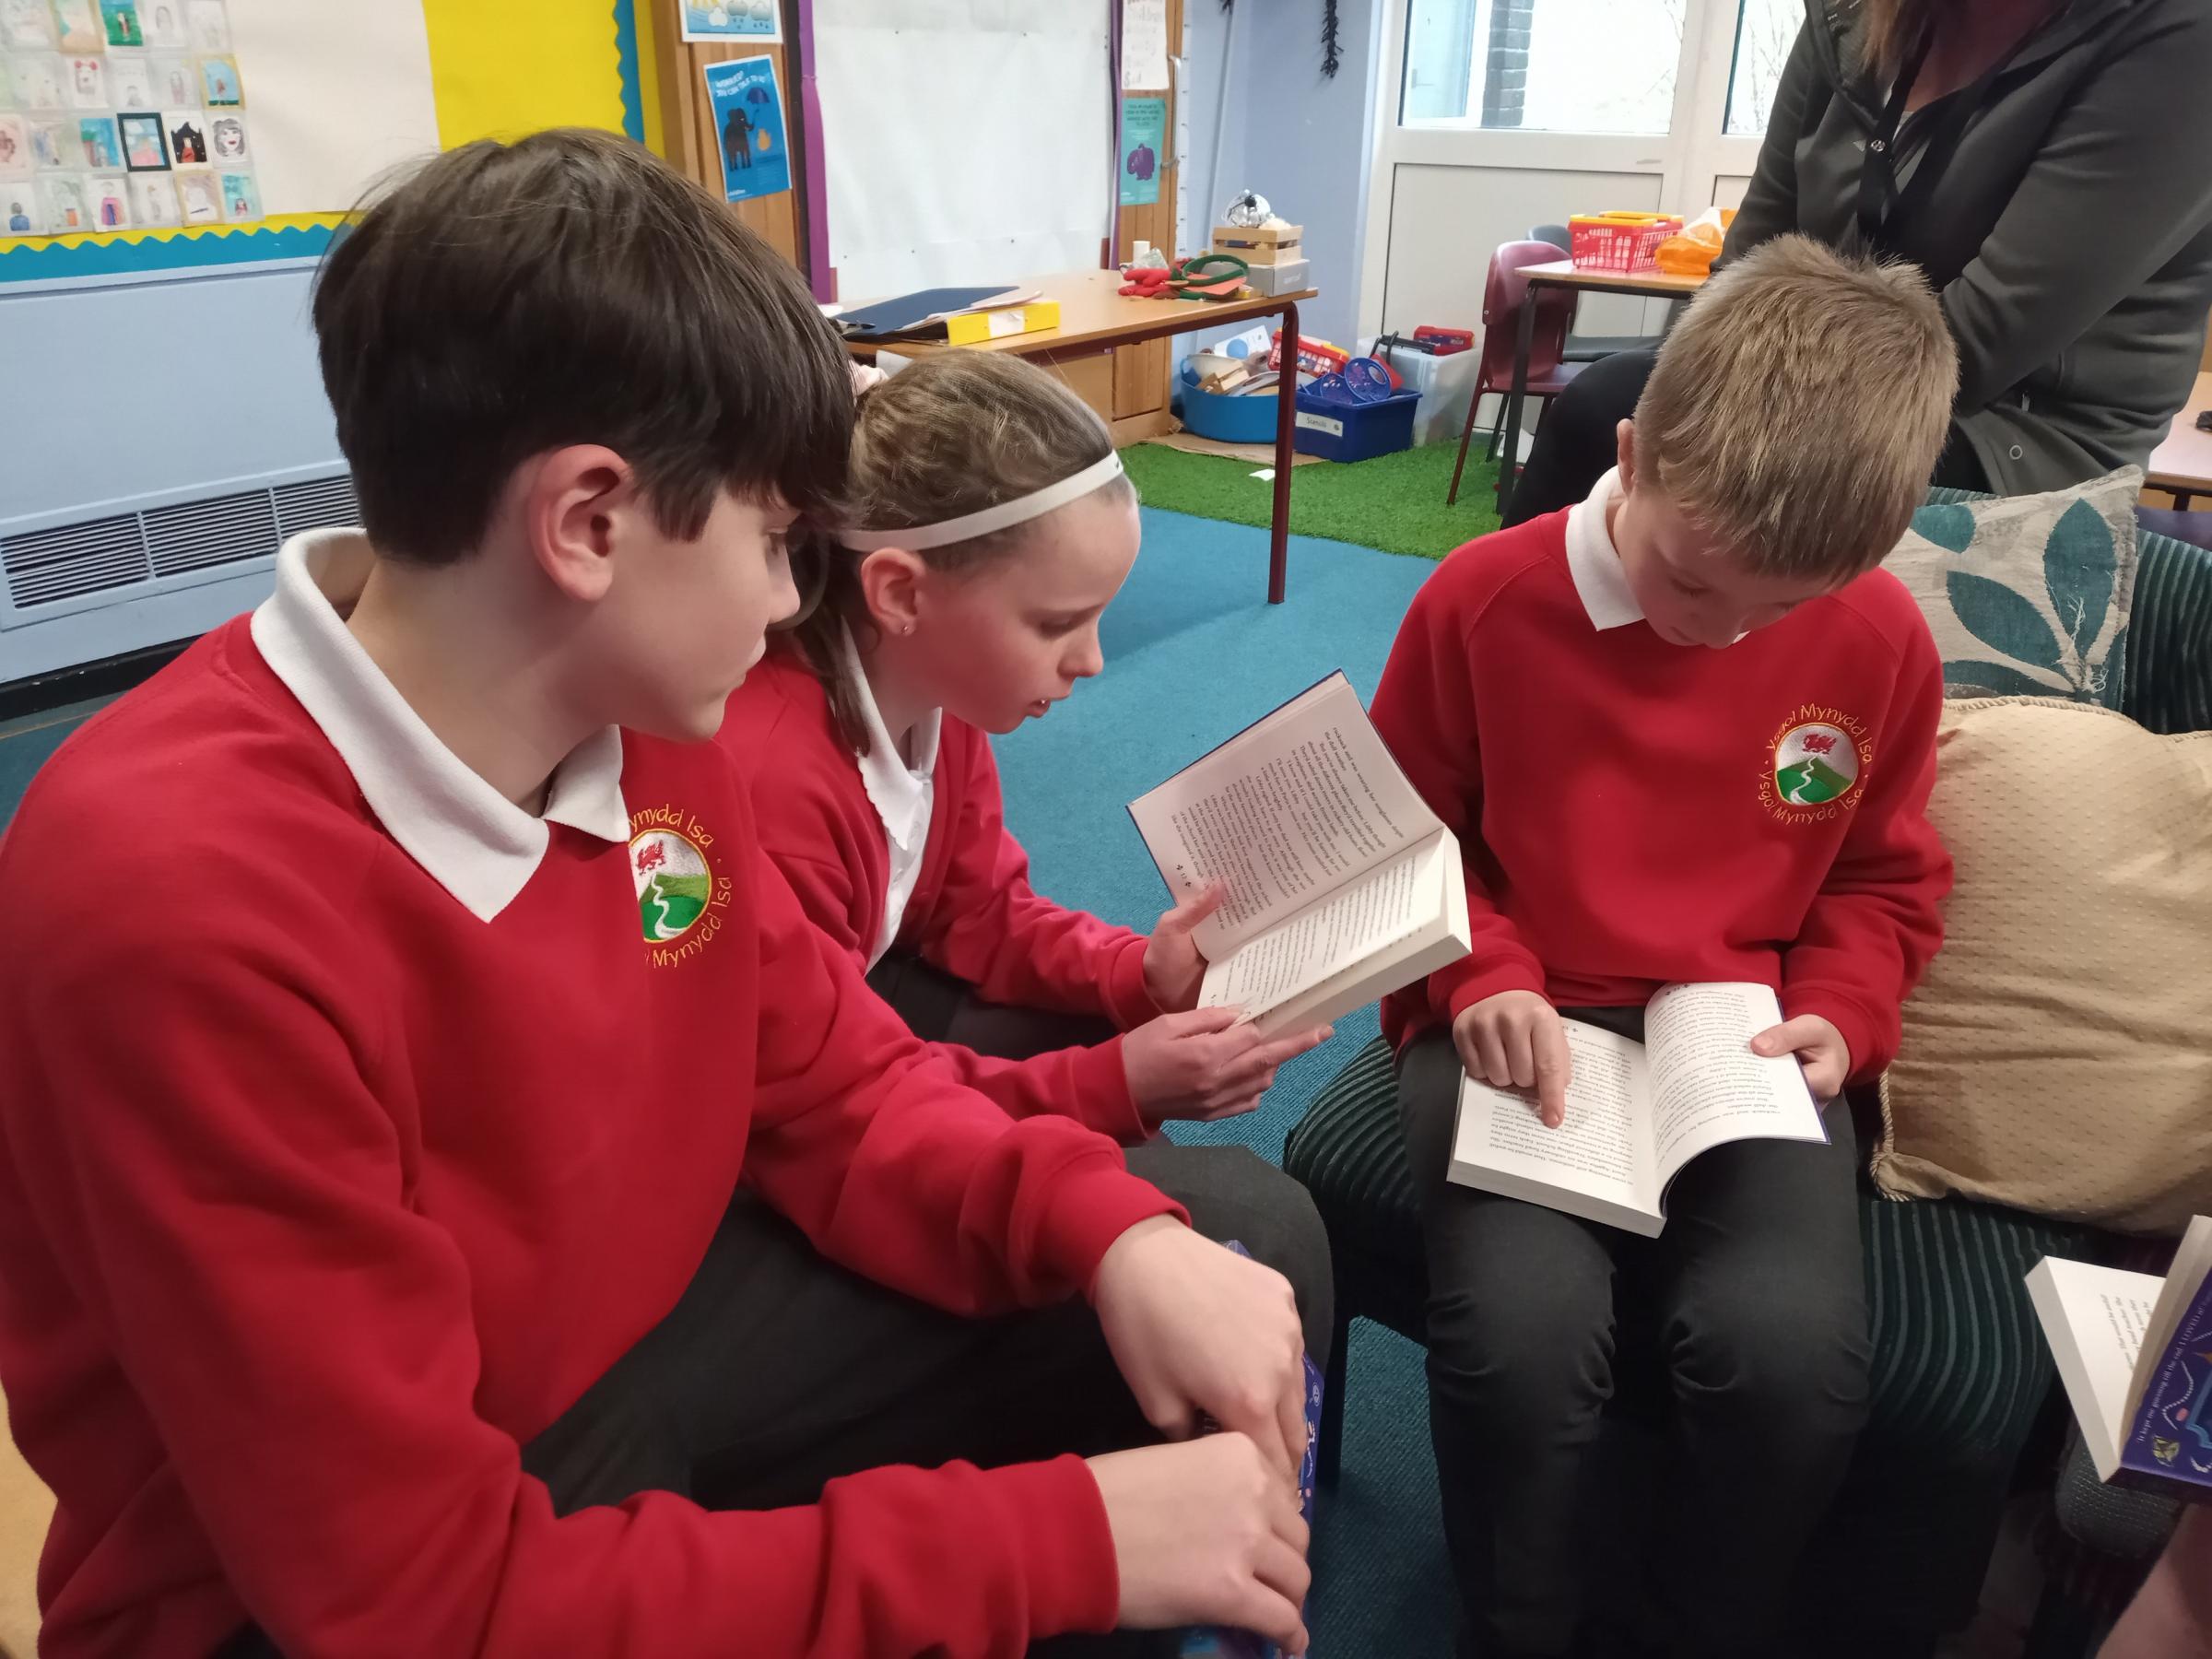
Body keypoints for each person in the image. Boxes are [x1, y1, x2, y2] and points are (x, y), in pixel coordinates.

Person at [0, 128, 1331, 1659]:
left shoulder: (641, 741)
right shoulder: (173, 906)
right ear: (588, 524)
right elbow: (417, 1604)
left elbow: (837, 1089)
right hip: (305, 1595)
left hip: (619, 1355)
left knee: (1215, 1239)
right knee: (1099, 1498)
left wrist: (1116, 1235)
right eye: (775, 542)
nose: (788, 599)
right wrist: (1061, 1544)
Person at [1371, 235, 1958, 1659]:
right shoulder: (1486, 601)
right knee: (1519, 1348)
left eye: (1779, 607)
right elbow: (1395, 850)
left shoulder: (1876, 635)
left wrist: (1842, 1013)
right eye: (1698, 586)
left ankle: (1708, 1625)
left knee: (1789, 1364)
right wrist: (1481, 976)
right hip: (1516, 1014)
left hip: (1740, 1037)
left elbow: (1881, 878)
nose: (1724, 636)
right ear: (1629, 453)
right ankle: (1523, 1628)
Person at [721, 353, 1333, 1142]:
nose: (1091, 661)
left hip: (846, 1014)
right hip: (756, 1131)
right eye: (1054, 624)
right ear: (902, 593)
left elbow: (976, 911)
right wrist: (1112, 1088)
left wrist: (1135, 970)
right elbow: (813, 1105)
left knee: (1114, 1047)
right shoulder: (772, 781)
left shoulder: (944, 691)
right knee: (1213, 1187)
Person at [1503, 0, 2212, 525]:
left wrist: (1724, 405)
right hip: (1807, 372)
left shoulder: (2177, 38)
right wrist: (1684, 383)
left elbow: (1980, 341)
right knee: (1609, 401)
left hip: (2007, 428)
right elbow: (1749, 256)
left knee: (1643, 429)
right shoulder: (1848, 20)